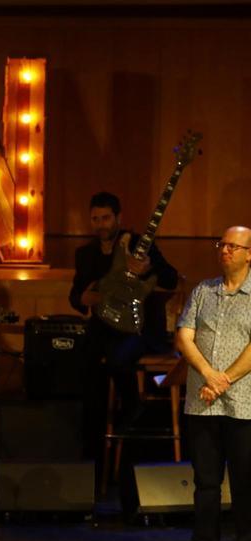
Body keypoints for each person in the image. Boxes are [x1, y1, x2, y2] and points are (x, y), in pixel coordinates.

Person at [70, 191, 179, 456]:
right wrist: (84, 298)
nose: (101, 225)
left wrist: (148, 268)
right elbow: (76, 295)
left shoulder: (139, 244)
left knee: (116, 356)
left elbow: (171, 279)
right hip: (102, 327)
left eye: (106, 218)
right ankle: (92, 446)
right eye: (95, 219)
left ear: (119, 218)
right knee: (84, 362)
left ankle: (132, 410)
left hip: (138, 328)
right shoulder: (85, 254)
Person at [170, 226, 251, 541]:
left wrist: (223, 380)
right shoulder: (204, 291)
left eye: (234, 246)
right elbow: (184, 337)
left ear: (249, 254)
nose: (225, 251)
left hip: (244, 404)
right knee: (205, 482)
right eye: (222, 244)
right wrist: (208, 374)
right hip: (202, 402)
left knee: (246, 481)